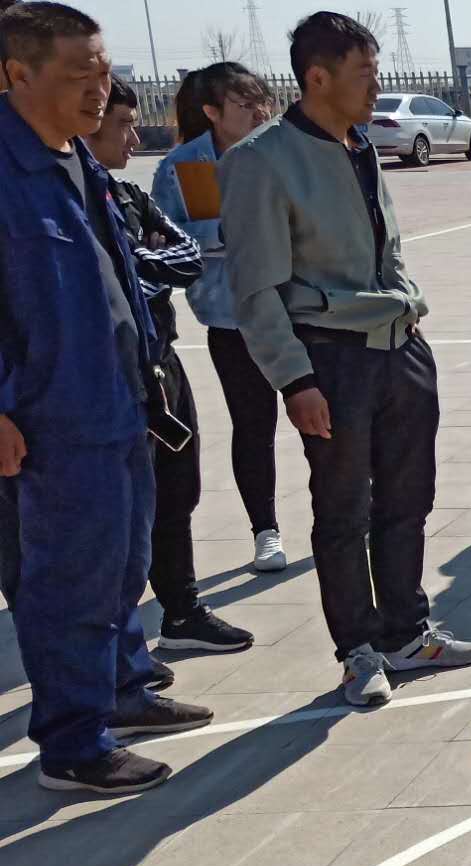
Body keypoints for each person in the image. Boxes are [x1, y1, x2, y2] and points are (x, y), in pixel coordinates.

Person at [222, 11, 471, 707]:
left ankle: (406, 632)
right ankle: (359, 652)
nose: (377, 88)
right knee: (343, 512)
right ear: (318, 77)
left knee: (408, 499)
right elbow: (255, 290)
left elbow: (387, 247)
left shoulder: (360, 146)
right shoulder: (261, 161)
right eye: (365, 74)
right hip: (330, 360)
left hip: (400, 349)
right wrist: (295, 380)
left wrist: (407, 305)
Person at [0, 0, 214, 794]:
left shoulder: (79, 163)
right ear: (18, 74)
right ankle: (73, 744)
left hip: (118, 401)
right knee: (68, 581)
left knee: (124, 563)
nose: (100, 89)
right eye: (78, 75)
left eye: (104, 71)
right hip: (52, 417)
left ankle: (122, 690)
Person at [88, 80, 256, 653]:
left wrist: (136, 260)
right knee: (120, 510)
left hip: (161, 359)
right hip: (113, 371)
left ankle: (181, 613)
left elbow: (187, 257)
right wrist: (141, 259)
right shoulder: (185, 167)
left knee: (176, 490)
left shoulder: (129, 195)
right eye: (123, 125)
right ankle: (116, 645)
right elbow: (108, 277)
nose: (136, 138)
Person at [151, 61, 289, 573]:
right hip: (232, 317)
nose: (259, 112)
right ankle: (265, 530)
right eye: (244, 104)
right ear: (211, 112)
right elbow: (166, 242)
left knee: (329, 416)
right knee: (254, 425)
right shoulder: (185, 167)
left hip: (298, 309)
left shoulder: (284, 151)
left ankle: (344, 516)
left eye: (262, 101)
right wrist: (224, 233)